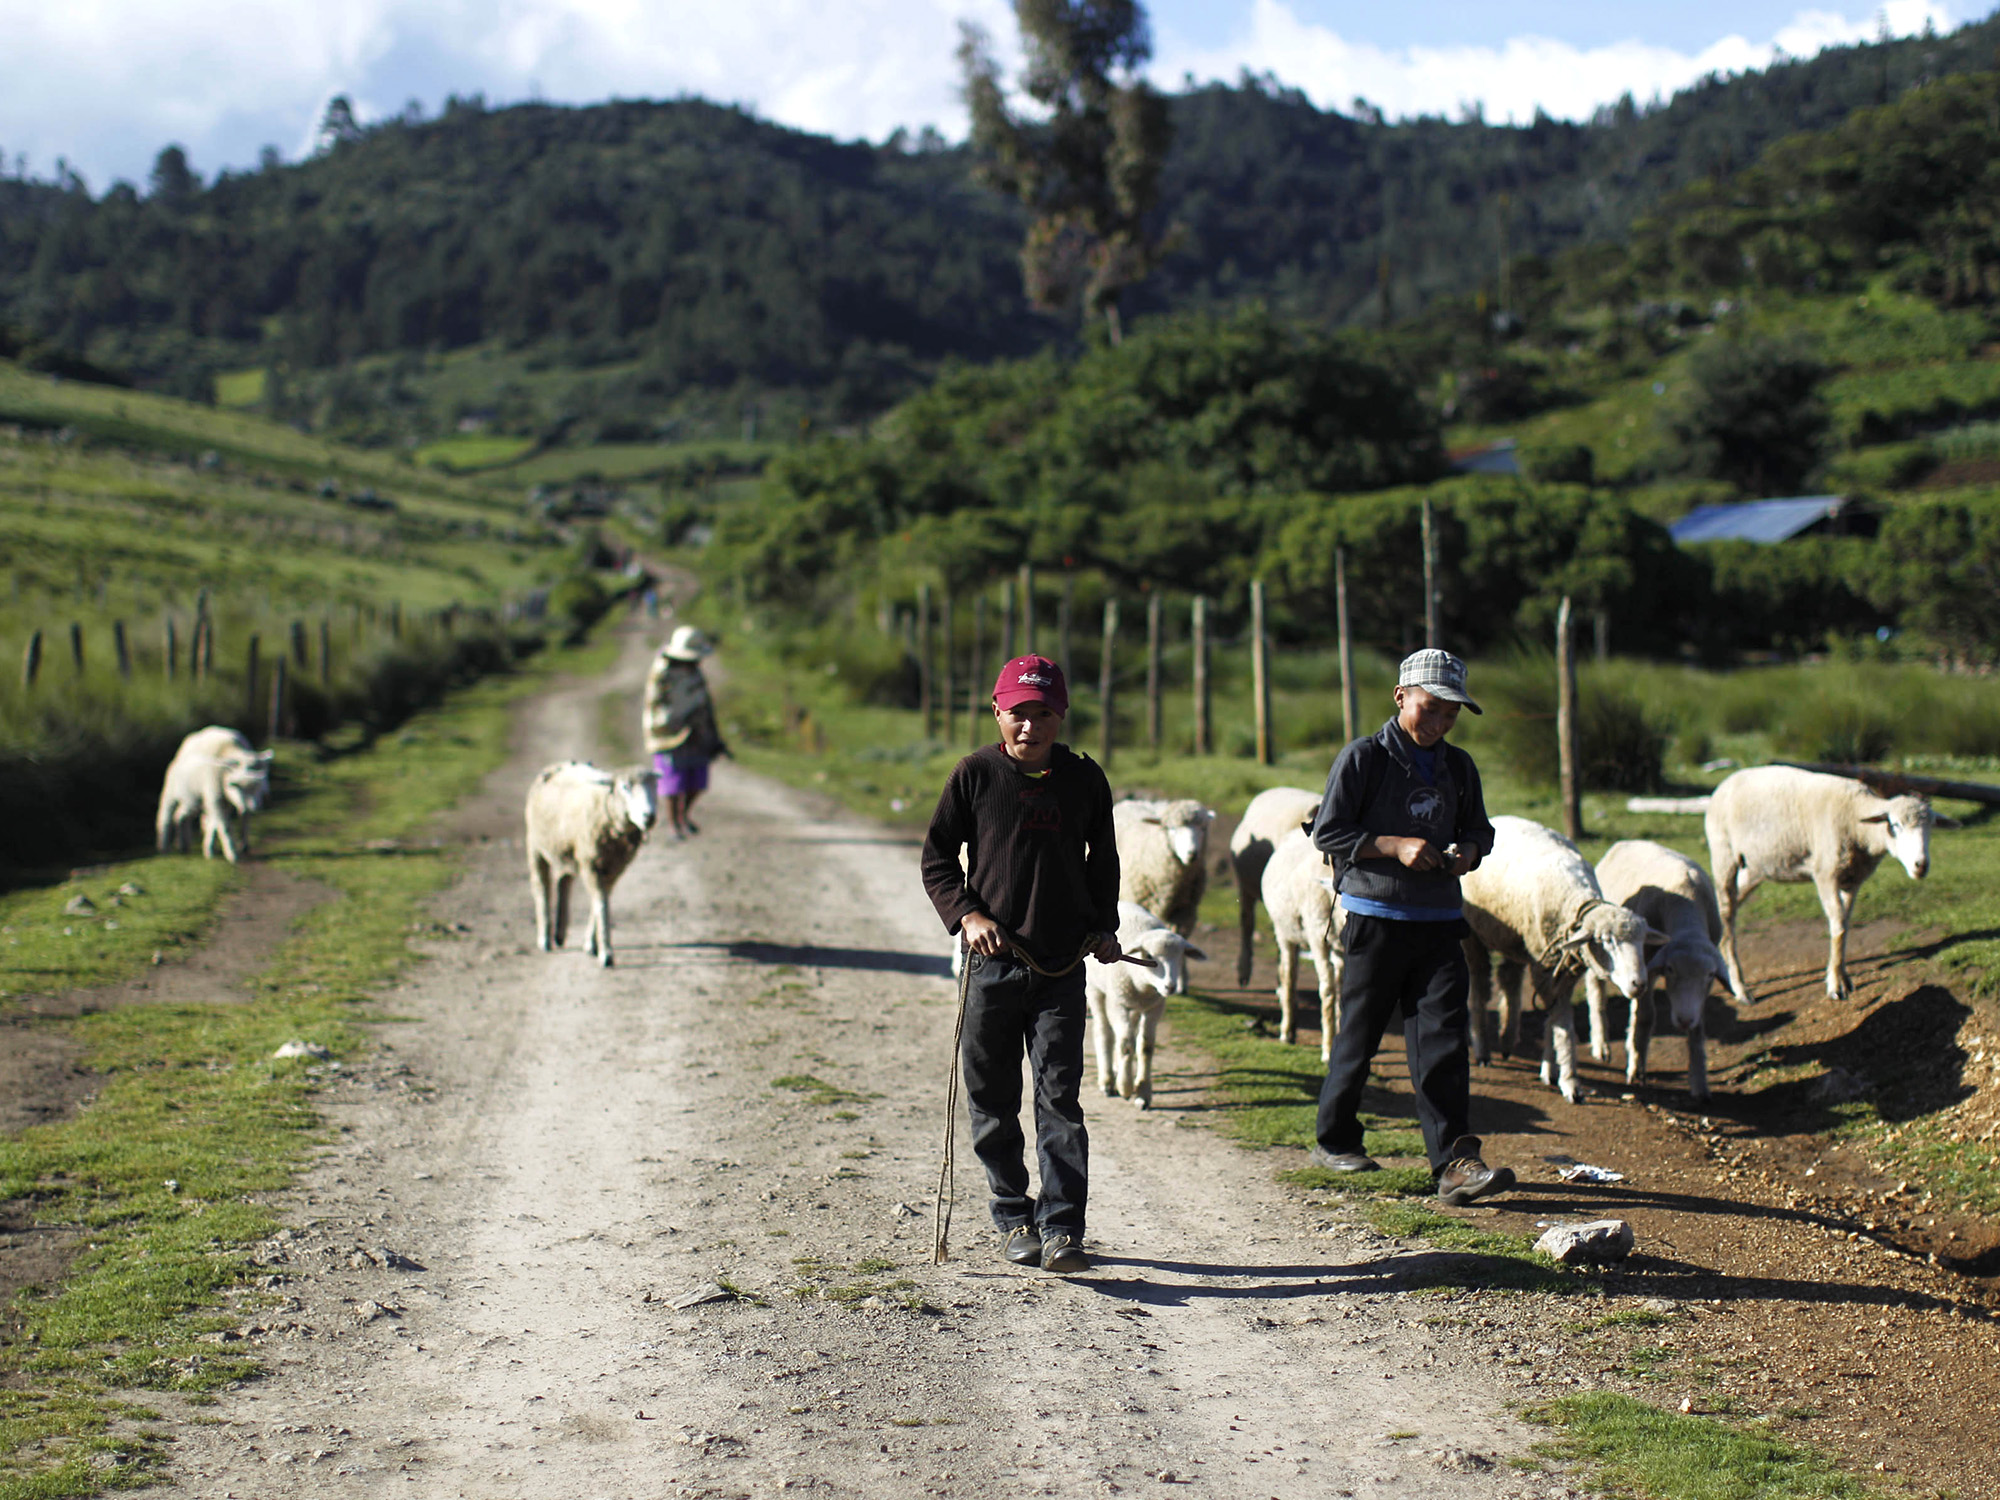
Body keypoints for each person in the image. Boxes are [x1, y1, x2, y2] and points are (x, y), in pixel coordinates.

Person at [920, 655, 1122, 1274]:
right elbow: (936, 860)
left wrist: (1104, 928)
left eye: (1043, 714)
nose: (1029, 727)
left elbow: (1102, 864)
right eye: (1018, 714)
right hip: (993, 965)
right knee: (992, 1093)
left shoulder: (1085, 781)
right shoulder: (975, 775)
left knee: (1059, 1098)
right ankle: (1013, 1215)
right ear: (997, 712)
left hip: (1061, 969)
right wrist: (967, 916)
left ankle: (1063, 1229)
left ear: (1060, 716)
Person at [1308, 648, 1515, 1207]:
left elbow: (1480, 830)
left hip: (1442, 922)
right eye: (1431, 709)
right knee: (1361, 1034)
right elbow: (1328, 833)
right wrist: (1394, 846)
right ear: (1401, 698)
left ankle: (1454, 1165)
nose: (1441, 723)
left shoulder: (1458, 766)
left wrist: (1467, 852)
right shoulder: (1363, 758)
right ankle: (1335, 1139)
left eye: (1451, 715)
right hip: (1376, 920)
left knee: (1445, 1044)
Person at [642, 625, 728, 838]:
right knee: (672, 783)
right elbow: (656, 708)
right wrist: (678, 727)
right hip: (669, 737)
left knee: (697, 780)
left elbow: (704, 702)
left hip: (697, 736)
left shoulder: (695, 674)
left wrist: (711, 733)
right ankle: (673, 823)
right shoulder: (662, 674)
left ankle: (683, 815)